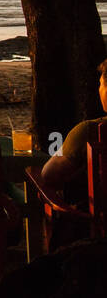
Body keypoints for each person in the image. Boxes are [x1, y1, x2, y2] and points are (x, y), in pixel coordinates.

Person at [37, 58, 107, 203]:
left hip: (96, 221)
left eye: (101, 84)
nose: (99, 89)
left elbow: (49, 175)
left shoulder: (90, 130)